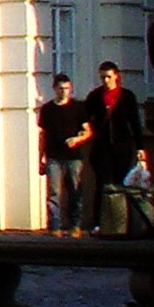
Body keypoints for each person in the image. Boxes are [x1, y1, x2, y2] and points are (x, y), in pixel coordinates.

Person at [82, 61, 145, 234]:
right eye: (102, 77)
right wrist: (85, 130)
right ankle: (99, 223)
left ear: (116, 76)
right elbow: (85, 117)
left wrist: (140, 147)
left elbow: (134, 122)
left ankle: (121, 223)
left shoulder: (126, 96)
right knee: (103, 184)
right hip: (101, 148)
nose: (105, 81)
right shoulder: (95, 96)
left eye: (109, 77)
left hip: (122, 146)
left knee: (120, 184)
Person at [38, 75, 94, 237]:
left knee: (75, 191)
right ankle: (55, 225)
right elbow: (43, 135)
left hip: (73, 156)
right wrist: (40, 157)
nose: (64, 92)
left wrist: (77, 139)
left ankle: (75, 225)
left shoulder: (78, 107)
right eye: (61, 88)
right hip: (53, 155)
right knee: (54, 192)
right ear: (55, 88)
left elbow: (88, 131)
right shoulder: (48, 109)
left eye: (67, 89)